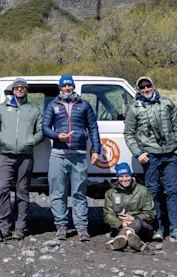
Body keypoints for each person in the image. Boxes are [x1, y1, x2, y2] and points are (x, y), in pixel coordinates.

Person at [124, 76, 177, 243]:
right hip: (150, 156)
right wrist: (138, 153)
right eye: (142, 87)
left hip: (170, 154)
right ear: (138, 90)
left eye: (148, 86)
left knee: (173, 191)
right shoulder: (134, 109)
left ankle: (176, 229)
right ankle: (157, 228)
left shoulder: (167, 103)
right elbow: (129, 134)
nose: (146, 89)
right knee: (153, 193)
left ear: (153, 86)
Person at [42, 74, 101, 242]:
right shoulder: (53, 105)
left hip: (79, 155)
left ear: (73, 87)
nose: (67, 88)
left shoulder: (84, 105)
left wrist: (96, 150)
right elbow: (45, 127)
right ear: (60, 88)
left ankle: (82, 227)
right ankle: (61, 226)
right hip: (58, 155)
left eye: (70, 85)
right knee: (57, 193)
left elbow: (93, 128)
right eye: (64, 85)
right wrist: (56, 136)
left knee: (79, 193)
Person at [0, 78, 44, 241]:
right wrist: (1, 138)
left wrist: (31, 141)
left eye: (22, 87)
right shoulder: (2, 108)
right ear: (13, 90)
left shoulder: (34, 109)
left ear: (26, 90)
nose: (19, 89)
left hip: (26, 156)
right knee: (3, 189)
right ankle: (3, 229)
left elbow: (41, 131)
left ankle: (20, 228)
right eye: (17, 87)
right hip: (6, 155)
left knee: (22, 192)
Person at [103, 163, 156, 252]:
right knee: (126, 230)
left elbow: (151, 214)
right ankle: (134, 242)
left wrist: (134, 218)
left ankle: (122, 238)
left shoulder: (143, 190)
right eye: (121, 176)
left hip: (142, 228)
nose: (124, 179)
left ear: (131, 176)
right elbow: (108, 215)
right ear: (117, 178)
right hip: (120, 226)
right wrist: (121, 223)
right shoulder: (110, 193)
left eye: (127, 176)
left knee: (137, 223)